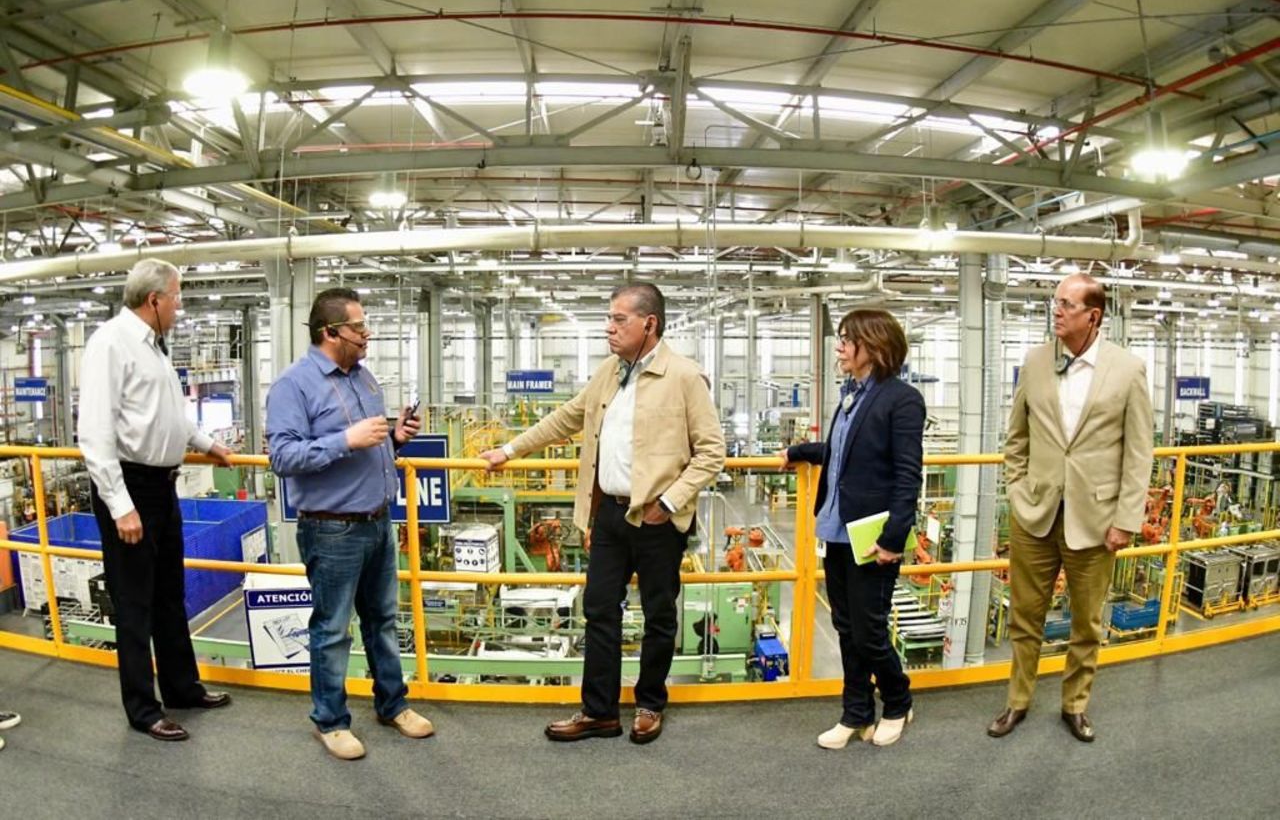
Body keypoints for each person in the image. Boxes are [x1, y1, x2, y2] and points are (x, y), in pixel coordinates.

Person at [480, 282, 725, 745]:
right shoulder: (610, 372)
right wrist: (509, 450)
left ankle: (650, 704)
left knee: (658, 615)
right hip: (609, 516)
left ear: (649, 324)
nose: (608, 328)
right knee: (599, 611)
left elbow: (712, 453)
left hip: (656, 518)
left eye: (619, 320)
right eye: (609, 319)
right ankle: (600, 712)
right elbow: (567, 418)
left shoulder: (684, 377)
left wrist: (668, 503)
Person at [266, 287, 433, 761]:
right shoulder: (293, 386)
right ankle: (330, 720)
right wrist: (346, 439)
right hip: (332, 529)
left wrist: (394, 438)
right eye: (359, 327)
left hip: (379, 522)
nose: (367, 334)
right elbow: (282, 457)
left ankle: (392, 704)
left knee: (383, 621)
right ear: (330, 332)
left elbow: (370, 443)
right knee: (333, 629)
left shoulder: (364, 378)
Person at [988, 273, 1154, 743]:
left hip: (1097, 522)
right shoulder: (1036, 361)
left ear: (1093, 316)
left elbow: (1139, 453)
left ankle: (1074, 705)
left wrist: (1126, 521)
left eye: (1065, 304)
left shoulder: (1127, 369)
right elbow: (1015, 437)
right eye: (1054, 302)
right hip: (1035, 513)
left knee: (1087, 621)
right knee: (1025, 617)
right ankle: (1017, 701)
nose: (1055, 311)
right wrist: (1018, 490)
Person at [78, 258, 235, 742]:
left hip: (163, 486)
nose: (180, 306)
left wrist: (209, 445)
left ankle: (182, 687)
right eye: (177, 298)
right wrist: (120, 504)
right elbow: (95, 432)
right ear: (154, 300)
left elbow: (168, 415)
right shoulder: (111, 343)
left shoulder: (155, 348)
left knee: (169, 593)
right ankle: (144, 710)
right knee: (134, 602)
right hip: (131, 488)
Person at [780, 309, 924, 749]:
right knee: (845, 626)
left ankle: (898, 701)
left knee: (869, 629)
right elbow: (843, 451)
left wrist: (893, 538)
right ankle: (856, 712)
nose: (839, 348)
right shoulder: (851, 395)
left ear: (874, 347)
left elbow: (907, 474)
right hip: (839, 531)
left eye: (846, 340)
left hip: (872, 535)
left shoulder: (902, 399)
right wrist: (801, 450)